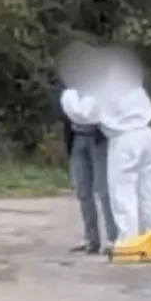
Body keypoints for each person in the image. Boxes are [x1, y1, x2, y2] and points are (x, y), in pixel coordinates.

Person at [59, 47, 151, 246]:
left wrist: (68, 95)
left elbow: (82, 114)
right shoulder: (125, 80)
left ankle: (128, 242)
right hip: (147, 134)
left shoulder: (98, 88)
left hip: (124, 138)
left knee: (122, 191)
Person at [53, 77, 117, 254]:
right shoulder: (68, 84)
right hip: (77, 137)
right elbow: (59, 108)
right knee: (83, 190)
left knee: (103, 189)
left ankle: (114, 238)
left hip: (98, 139)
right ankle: (91, 239)